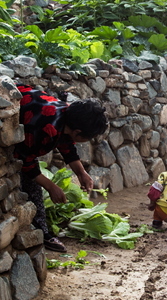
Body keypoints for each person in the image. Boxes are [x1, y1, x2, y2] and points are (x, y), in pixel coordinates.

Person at [11, 84, 108, 252]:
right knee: (31, 186)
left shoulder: (66, 114)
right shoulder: (47, 129)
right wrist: (51, 187)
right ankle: (41, 233)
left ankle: (41, 231)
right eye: (89, 137)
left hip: (24, 99)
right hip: (16, 121)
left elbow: (67, 145)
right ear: (78, 132)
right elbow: (25, 160)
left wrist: (81, 173)